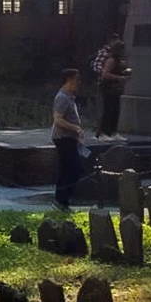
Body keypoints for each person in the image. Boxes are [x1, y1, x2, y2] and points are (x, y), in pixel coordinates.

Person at [51, 69, 85, 209]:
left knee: (71, 169)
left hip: (70, 139)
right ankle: (60, 199)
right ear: (69, 80)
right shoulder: (62, 97)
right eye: (77, 80)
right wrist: (75, 128)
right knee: (70, 169)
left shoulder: (70, 97)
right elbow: (58, 119)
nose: (79, 83)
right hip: (63, 138)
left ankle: (63, 199)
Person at [97, 42, 131, 139]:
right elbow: (105, 74)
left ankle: (113, 131)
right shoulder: (111, 60)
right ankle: (103, 132)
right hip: (108, 87)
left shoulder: (121, 61)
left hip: (116, 88)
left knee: (116, 110)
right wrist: (119, 78)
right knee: (108, 109)